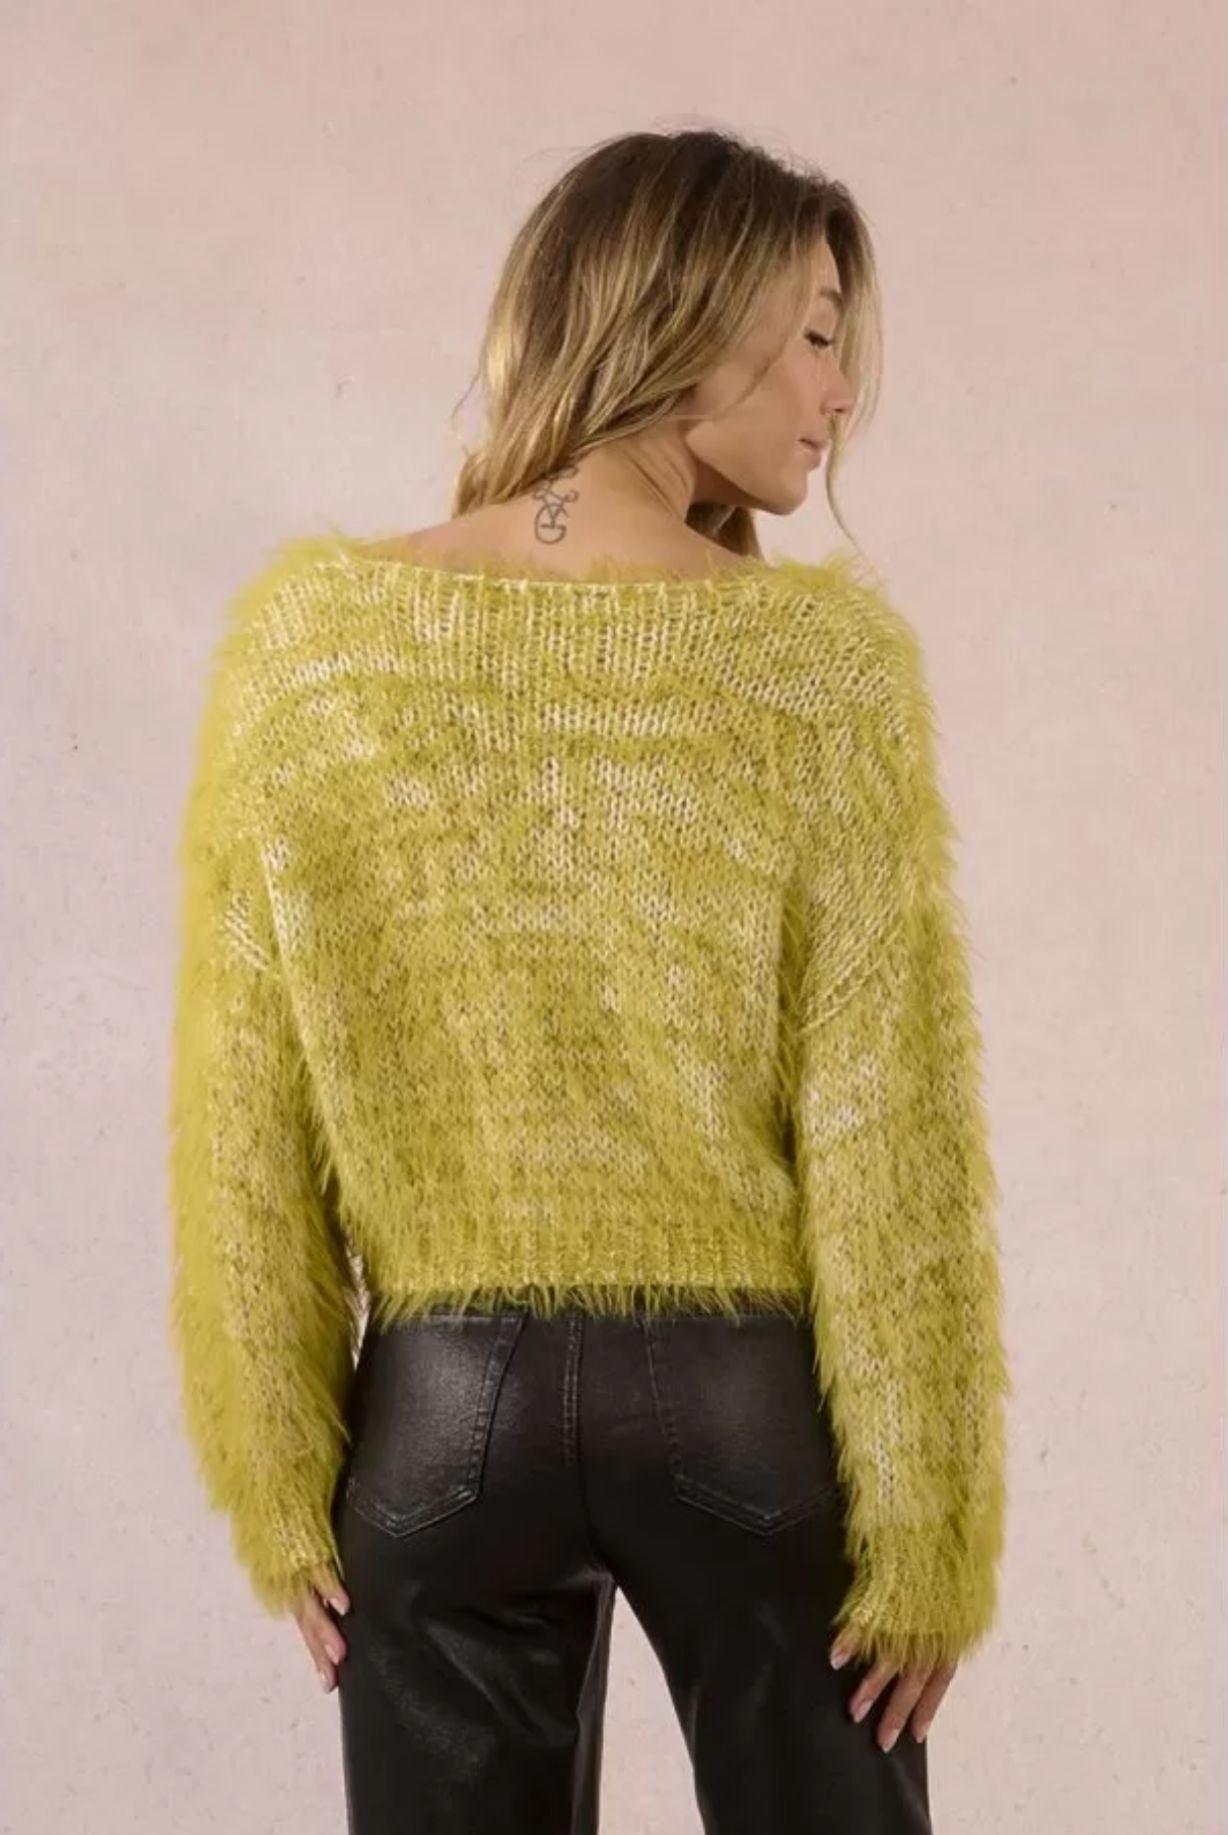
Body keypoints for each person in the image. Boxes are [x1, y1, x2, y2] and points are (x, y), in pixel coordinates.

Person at [167, 126, 1011, 1834]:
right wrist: (931, 1522)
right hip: (742, 1419)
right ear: (691, 321)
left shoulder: (307, 653)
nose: (841, 392)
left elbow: (243, 1112)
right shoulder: (818, 671)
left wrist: (275, 1475)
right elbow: (887, 1134)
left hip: (439, 1425)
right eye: (819, 333)